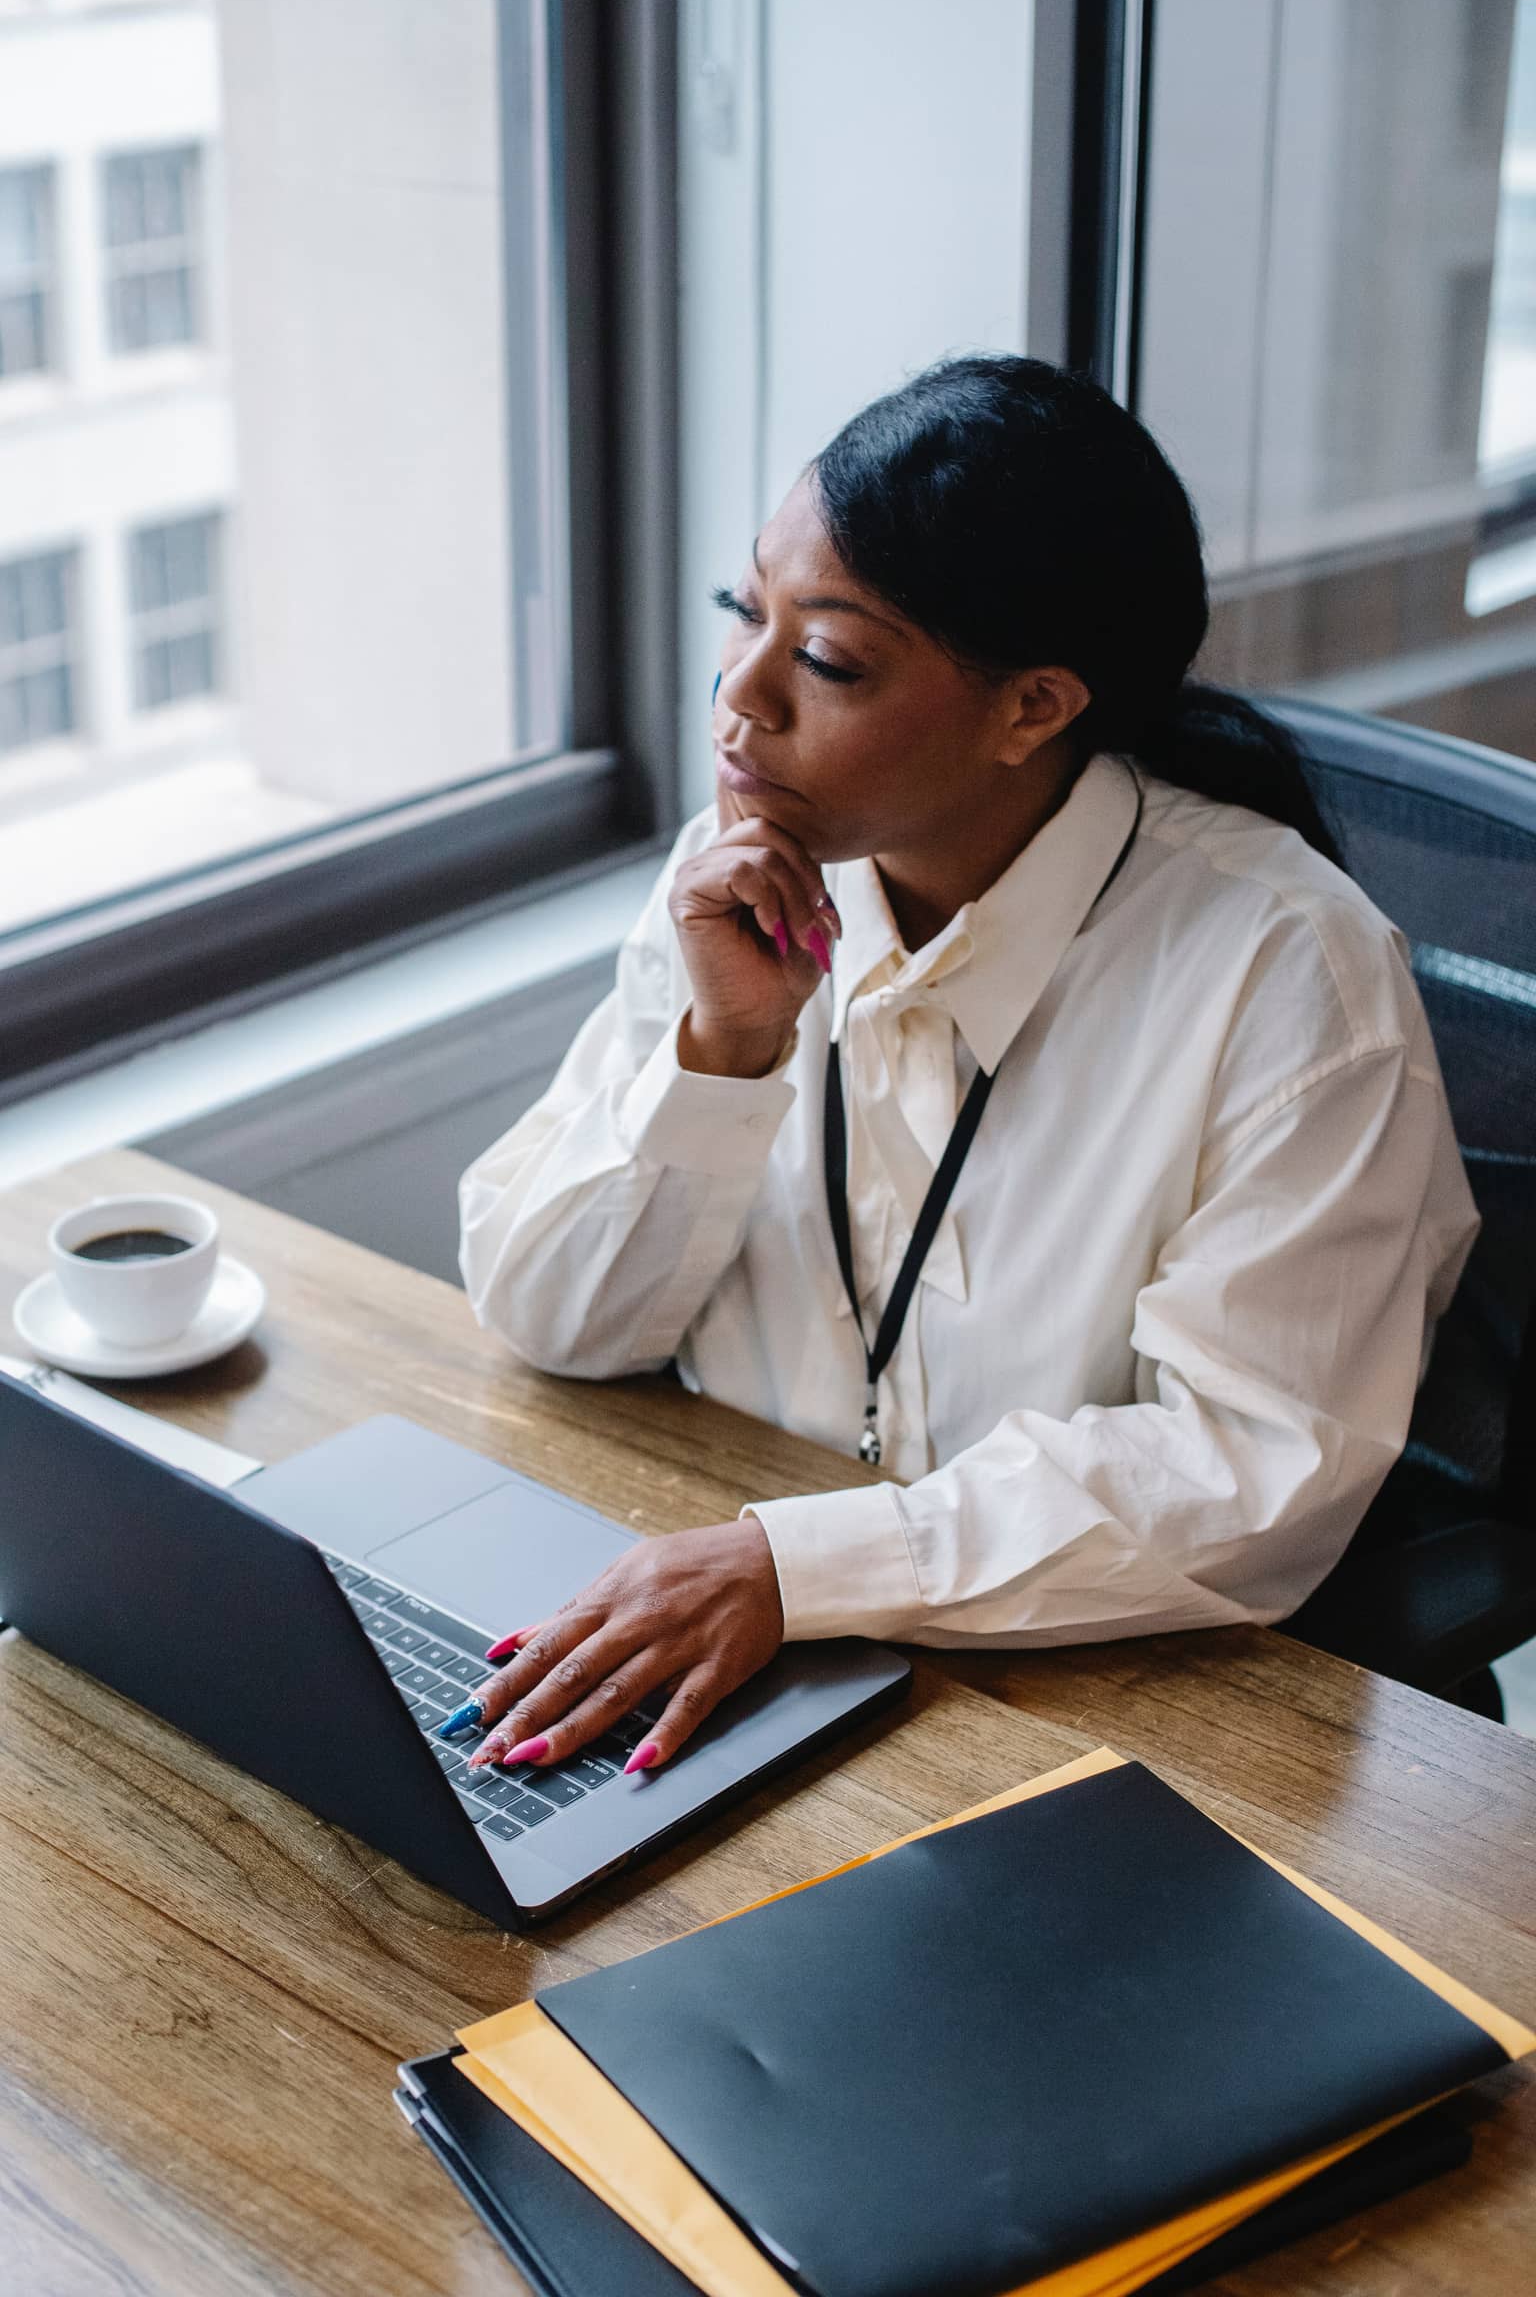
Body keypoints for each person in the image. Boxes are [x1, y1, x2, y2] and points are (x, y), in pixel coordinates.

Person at [453, 353, 1478, 1783]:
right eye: (745, 614)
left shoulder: (1289, 972)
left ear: (1034, 709)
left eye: (826, 659)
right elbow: (550, 1314)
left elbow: (1246, 1474)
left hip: (1092, 1715)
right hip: (725, 1633)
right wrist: (727, 1054)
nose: (738, 700)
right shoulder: (739, 874)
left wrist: (792, 1569)